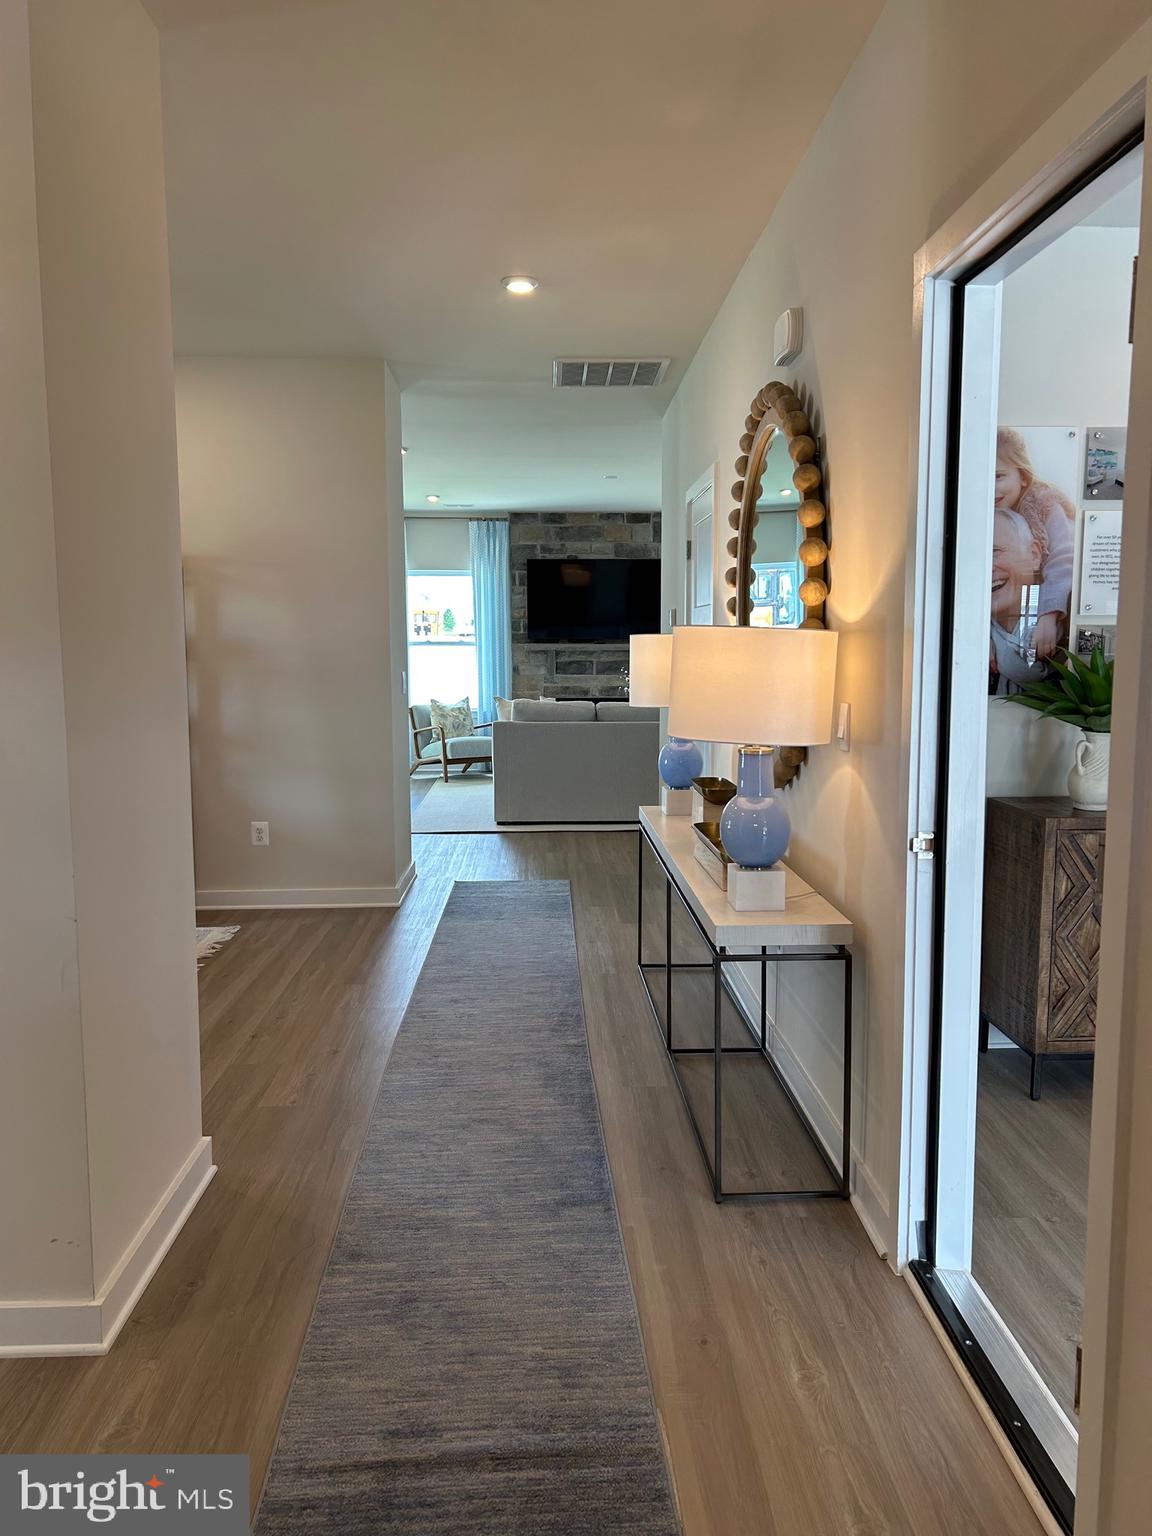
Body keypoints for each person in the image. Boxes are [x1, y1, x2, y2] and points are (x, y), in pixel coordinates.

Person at [994, 428, 1075, 660]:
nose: (992, 488)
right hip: (1009, 612)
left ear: (1023, 476)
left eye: (999, 476)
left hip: (1051, 604)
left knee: (1038, 651)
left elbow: (1063, 561)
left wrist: (1048, 614)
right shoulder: (985, 514)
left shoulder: (1044, 504)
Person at [989, 507, 1050, 696]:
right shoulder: (965, 635)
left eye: (994, 551)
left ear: (1034, 554)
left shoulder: (1062, 622)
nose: (985, 568)